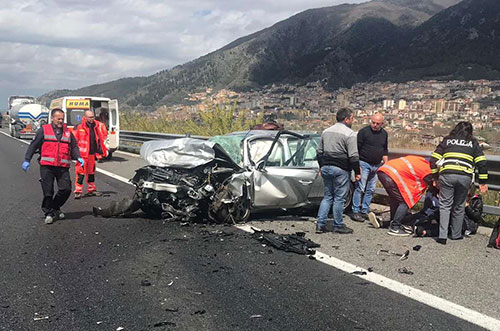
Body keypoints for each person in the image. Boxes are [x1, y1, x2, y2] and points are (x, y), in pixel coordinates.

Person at [22, 108, 83, 224]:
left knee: (66, 189)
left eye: (62, 118)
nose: (61, 121)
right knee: (48, 192)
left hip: (62, 166)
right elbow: (33, 145)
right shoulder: (44, 130)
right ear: (52, 118)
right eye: (58, 118)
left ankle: (55, 207)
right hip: (47, 166)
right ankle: (48, 213)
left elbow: (74, 146)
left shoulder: (68, 132)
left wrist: (78, 156)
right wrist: (27, 160)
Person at [430, 121, 488, 244]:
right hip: (464, 176)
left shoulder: (448, 140)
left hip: (447, 174)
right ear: (470, 132)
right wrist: (482, 182)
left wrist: (435, 177)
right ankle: (456, 234)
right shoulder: (473, 143)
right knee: (459, 205)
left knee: (445, 205)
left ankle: (442, 236)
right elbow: (482, 162)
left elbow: (434, 159)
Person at [316, 108, 361, 234]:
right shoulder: (350, 134)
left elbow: (319, 152)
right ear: (346, 119)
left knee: (327, 196)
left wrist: (321, 166)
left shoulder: (326, 132)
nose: (353, 121)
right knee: (339, 198)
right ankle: (338, 224)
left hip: (326, 167)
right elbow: (353, 156)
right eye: (352, 118)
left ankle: (320, 224)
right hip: (340, 169)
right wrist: (357, 172)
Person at [376, 155, 432, 236]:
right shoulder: (427, 169)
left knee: (395, 200)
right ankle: (395, 227)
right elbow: (431, 184)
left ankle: (392, 221)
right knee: (405, 202)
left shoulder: (420, 160)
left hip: (384, 171)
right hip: (391, 174)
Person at [351, 113, 388, 222]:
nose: (375, 125)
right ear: (370, 121)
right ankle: (356, 210)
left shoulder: (384, 134)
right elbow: (356, 149)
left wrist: (386, 164)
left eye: (378, 124)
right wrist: (357, 166)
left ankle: (365, 210)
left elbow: (384, 149)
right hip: (364, 163)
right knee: (360, 188)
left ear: (382, 124)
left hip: (376, 165)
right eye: (373, 123)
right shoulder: (364, 132)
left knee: (371, 189)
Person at [73, 110, 107, 199]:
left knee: (91, 172)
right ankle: (78, 191)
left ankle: (91, 189)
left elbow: (100, 139)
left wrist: (102, 151)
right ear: (85, 117)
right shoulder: (79, 127)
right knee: (80, 173)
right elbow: (74, 141)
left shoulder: (96, 127)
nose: (92, 119)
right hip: (82, 155)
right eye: (90, 117)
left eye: (93, 117)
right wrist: (75, 154)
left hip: (91, 154)